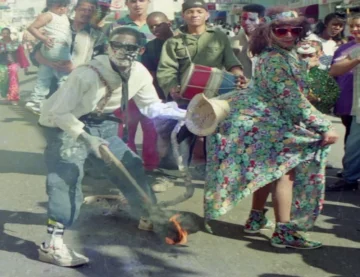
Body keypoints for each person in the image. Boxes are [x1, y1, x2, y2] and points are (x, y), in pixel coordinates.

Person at [37, 27, 186, 267]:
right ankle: (52, 244)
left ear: (140, 50)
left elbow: (151, 107)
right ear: (108, 47)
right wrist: (86, 138)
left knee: (131, 165)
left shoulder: (139, 72)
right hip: (64, 125)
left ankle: (148, 214)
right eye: (117, 46)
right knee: (67, 178)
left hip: (101, 124)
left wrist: (184, 115)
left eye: (130, 48)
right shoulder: (86, 74)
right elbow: (58, 113)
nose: (123, 52)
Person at [203, 7, 338, 249]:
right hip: (266, 123)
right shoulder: (275, 58)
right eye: (281, 29)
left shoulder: (280, 53)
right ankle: (283, 231)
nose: (288, 34)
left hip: (264, 121)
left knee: (267, 171)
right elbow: (291, 99)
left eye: (295, 29)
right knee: (285, 174)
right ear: (268, 31)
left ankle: (256, 218)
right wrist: (323, 125)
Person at [27, 0, 106, 113]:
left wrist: (75, 67)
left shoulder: (97, 35)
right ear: (75, 9)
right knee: (48, 123)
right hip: (51, 88)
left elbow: (100, 62)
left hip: (78, 89)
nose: (87, 13)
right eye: (83, 9)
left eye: (91, 10)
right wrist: (49, 63)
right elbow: (36, 52)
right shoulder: (59, 24)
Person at [327, 14, 360, 192]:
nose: (355, 30)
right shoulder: (354, 49)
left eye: (358, 26)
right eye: (352, 27)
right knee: (354, 145)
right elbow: (334, 69)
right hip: (356, 106)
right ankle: (350, 179)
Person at [26, 0, 72, 111]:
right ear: (51, 5)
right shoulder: (48, 15)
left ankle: (36, 100)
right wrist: (44, 38)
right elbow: (32, 27)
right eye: (60, 5)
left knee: (45, 72)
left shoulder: (64, 16)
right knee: (63, 74)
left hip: (55, 48)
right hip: (57, 47)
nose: (63, 8)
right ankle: (64, 100)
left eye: (65, 6)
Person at [297, 43, 339, 114]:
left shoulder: (323, 75)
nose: (307, 58)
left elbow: (334, 93)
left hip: (317, 113)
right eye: (303, 56)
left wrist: (318, 99)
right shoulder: (289, 72)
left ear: (316, 57)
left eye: (310, 56)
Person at [231, 4, 266, 80]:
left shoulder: (271, 42)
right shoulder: (231, 43)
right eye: (243, 18)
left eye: (252, 19)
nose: (246, 22)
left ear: (261, 20)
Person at [0, 28, 30, 104]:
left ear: (9, 34)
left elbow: (21, 55)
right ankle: (5, 94)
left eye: (7, 33)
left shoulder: (16, 43)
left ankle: (13, 97)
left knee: (13, 80)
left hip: (13, 64)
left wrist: (25, 66)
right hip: (2, 64)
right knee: (2, 80)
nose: (5, 34)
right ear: (1, 34)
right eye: (3, 33)